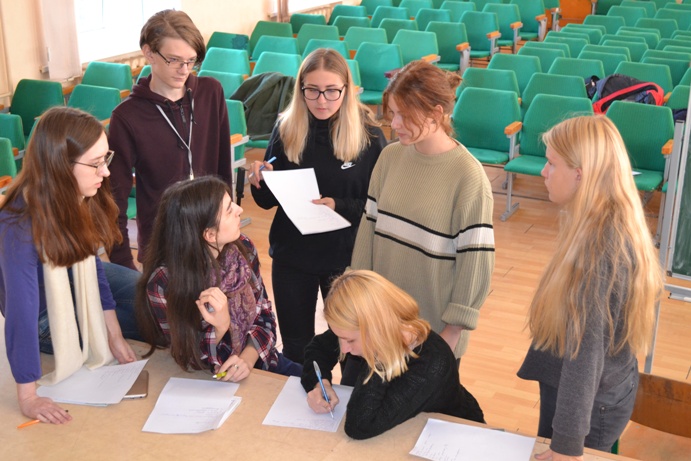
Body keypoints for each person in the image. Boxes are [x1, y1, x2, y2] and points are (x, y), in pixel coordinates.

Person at [517, 116, 663, 460]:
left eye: (552, 164)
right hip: (582, 390)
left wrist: (567, 445)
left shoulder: (600, 248)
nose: (543, 172)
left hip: (587, 404)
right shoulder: (595, 220)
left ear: (580, 174)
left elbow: (586, 351)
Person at [248, 48, 387, 364]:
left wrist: (339, 205)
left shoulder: (369, 136)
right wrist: (261, 180)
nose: (321, 100)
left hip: (346, 259)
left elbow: (380, 206)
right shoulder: (286, 129)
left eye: (331, 91)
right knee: (296, 347)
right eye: (312, 90)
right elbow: (268, 201)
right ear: (300, 89)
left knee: (353, 351)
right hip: (293, 255)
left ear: (346, 89)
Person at [0, 107, 137, 424]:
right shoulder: (16, 224)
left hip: (71, 279)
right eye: (96, 163)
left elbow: (92, 266)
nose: (105, 172)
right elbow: (22, 312)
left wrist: (113, 335)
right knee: (148, 320)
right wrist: (28, 396)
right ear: (60, 166)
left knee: (147, 295)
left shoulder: (75, 194)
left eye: (106, 158)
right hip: (42, 315)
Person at [350, 60, 495, 360]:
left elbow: (475, 262)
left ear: (436, 114)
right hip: (379, 325)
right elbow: (368, 232)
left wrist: (451, 334)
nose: (395, 124)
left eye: (404, 115)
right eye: (393, 113)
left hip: (433, 335)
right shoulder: (389, 158)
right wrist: (358, 296)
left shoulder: (468, 176)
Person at [137, 176, 302, 381]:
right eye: (229, 210)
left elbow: (265, 315)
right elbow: (186, 356)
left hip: (260, 359)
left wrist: (246, 360)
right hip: (209, 376)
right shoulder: (163, 282)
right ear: (209, 235)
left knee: (315, 383)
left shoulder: (243, 249)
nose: (240, 210)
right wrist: (220, 327)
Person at [108, 9, 231, 270]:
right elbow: (114, 199)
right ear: (149, 52)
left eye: (191, 61)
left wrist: (228, 230)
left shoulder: (211, 93)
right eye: (174, 60)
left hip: (213, 239)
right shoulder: (127, 116)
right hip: (163, 248)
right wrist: (122, 262)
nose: (184, 70)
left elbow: (223, 171)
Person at [301, 270, 485, 440]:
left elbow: (359, 426)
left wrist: (378, 359)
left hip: (456, 434)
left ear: (377, 329)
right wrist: (321, 383)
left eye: (349, 340)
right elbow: (317, 349)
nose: (344, 349)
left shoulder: (431, 364)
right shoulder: (363, 330)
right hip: (407, 431)